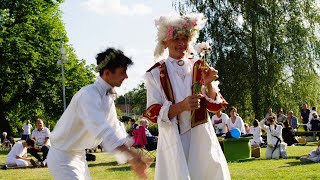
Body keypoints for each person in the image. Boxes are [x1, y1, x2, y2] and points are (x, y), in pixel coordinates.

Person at [143, 13, 230, 180]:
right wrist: (181, 106)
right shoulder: (155, 73)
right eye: (176, 39)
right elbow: (152, 112)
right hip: (173, 138)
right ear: (165, 41)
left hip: (201, 136)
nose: (181, 43)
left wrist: (210, 83)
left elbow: (214, 107)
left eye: (185, 38)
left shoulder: (198, 65)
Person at [47, 48, 150, 180]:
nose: (126, 76)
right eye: (122, 72)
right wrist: (132, 155)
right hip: (62, 156)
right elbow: (103, 130)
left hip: (79, 156)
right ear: (107, 73)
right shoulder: (87, 95)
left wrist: (132, 157)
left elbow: (115, 129)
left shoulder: (108, 98)